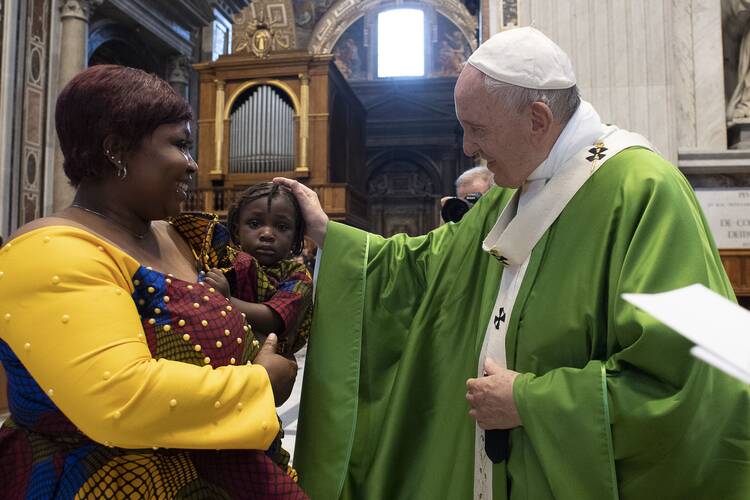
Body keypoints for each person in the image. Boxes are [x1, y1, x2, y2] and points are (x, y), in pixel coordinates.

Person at [276, 27, 750, 500]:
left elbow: (701, 375)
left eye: (477, 129)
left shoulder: (643, 190)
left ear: (537, 120)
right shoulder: (510, 190)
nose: (466, 147)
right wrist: (328, 234)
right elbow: (427, 270)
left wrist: (530, 402)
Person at [0, 65, 306, 499]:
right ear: (116, 150)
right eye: (179, 144)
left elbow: (275, 285)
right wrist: (260, 382)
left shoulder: (185, 236)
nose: (193, 163)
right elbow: (121, 398)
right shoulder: (52, 251)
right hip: (104, 483)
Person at [205, 182, 313, 358]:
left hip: (271, 364)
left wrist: (228, 300)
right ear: (237, 230)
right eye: (255, 224)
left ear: (295, 237)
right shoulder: (224, 261)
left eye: (282, 227)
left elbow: (276, 320)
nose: (268, 234)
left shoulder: (298, 275)